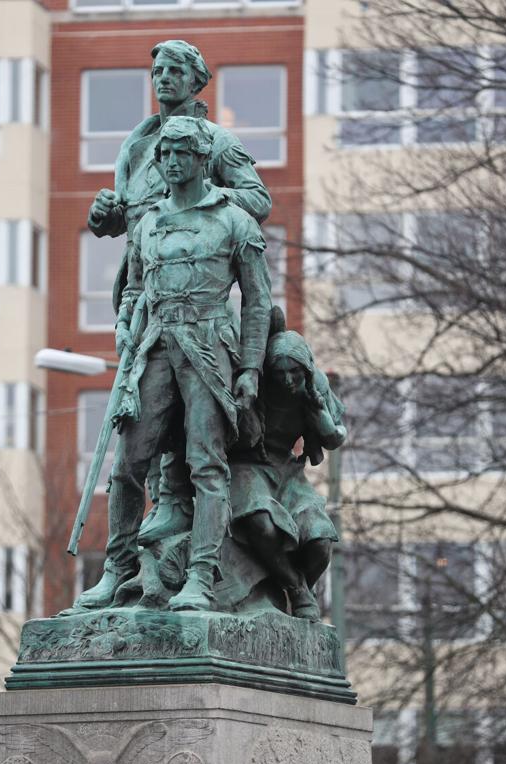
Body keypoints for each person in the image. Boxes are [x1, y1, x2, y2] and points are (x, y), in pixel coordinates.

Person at [75, 39, 272, 610]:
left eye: (175, 70)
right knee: (134, 461)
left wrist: (201, 200)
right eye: (156, 69)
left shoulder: (221, 153)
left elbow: (257, 203)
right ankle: (123, 570)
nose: (162, 77)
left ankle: (195, 573)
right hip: (151, 314)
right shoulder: (138, 147)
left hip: (205, 328)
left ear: (197, 80)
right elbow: (132, 246)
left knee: (197, 461)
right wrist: (109, 217)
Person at [228, 319, 346, 621]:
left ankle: (300, 585)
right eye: (280, 374)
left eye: (295, 372)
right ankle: (295, 588)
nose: (288, 381)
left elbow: (334, 437)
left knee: (320, 540)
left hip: (287, 470)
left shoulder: (315, 386)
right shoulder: (251, 385)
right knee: (261, 522)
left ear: (305, 368)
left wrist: (318, 411)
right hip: (247, 465)